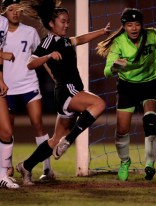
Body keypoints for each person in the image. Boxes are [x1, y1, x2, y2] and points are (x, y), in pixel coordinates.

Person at [15, 0, 110, 185]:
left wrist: (101, 32)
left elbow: (80, 39)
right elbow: (30, 63)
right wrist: (48, 56)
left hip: (67, 94)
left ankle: (26, 165)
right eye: (63, 21)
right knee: (99, 104)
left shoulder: (65, 41)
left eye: (68, 21)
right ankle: (69, 140)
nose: (67, 24)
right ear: (52, 23)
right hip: (68, 91)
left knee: (54, 140)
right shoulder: (49, 41)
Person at [97, 8, 156, 181]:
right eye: (129, 25)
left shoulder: (153, 35)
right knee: (122, 129)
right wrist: (115, 67)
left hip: (151, 82)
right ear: (124, 26)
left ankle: (150, 163)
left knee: (150, 120)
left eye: (137, 24)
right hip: (128, 85)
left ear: (142, 25)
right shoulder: (118, 42)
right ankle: (125, 161)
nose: (134, 28)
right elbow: (106, 71)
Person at [1, 0, 54, 181]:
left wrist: (53, 76)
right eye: (11, 10)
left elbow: (39, 57)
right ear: (4, 12)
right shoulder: (1, 33)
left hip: (28, 85)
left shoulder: (30, 32)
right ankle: (6, 169)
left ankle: (47, 169)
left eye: (18, 10)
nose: (15, 13)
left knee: (38, 124)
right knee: (7, 130)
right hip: (6, 88)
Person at [0, 12, 19, 188]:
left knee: (6, 131)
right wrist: (2, 54)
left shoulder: (3, 22)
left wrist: (0, 79)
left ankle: (2, 175)